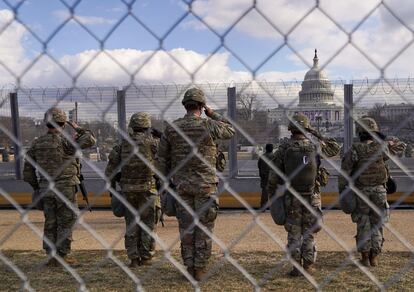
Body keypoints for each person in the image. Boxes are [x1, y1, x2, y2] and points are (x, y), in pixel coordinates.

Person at [157, 87, 235, 281]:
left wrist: (167, 181)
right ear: (201, 106)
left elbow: (162, 159)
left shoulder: (172, 128)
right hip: (205, 186)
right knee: (205, 228)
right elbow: (231, 130)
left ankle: (189, 266)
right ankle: (200, 268)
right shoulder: (209, 125)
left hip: (181, 186)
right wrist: (213, 113)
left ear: (185, 105)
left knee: (186, 228)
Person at [267, 113, 339, 276]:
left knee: (293, 232)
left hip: (291, 196)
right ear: (306, 128)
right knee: (309, 231)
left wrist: (272, 194)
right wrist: (314, 131)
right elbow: (334, 148)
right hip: (312, 195)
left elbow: (273, 176)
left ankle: (296, 266)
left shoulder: (284, 148)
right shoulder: (315, 146)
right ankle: (308, 264)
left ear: (290, 129)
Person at [23, 107, 96, 266]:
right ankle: (63, 255)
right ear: (64, 123)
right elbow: (90, 140)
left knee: (50, 221)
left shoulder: (37, 143)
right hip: (65, 188)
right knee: (66, 220)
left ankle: (51, 256)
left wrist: (37, 187)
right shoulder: (67, 142)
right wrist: (78, 128)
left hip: (45, 188)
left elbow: (27, 172)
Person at [338, 117, 405, 267]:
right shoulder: (381, 148)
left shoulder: (354, 149)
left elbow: (344, 173)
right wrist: (382, 138)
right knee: (377, 223)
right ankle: (374, 256)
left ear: (359, 132)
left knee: (363, 223)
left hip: (361, 191)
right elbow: (400, 146)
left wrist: (342, 191)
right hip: (379, 191)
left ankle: (364, 257)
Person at [105, 112, 159, 267]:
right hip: (148, 189)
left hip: (128, 191)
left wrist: (113, 189)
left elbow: (110, 171)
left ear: (132, 127)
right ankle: (147, 256)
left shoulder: (122, 146)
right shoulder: (154, 144)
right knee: (148, 223)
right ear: (147, 126)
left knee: (131, 223)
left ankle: (134, 258)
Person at [258, 143, 274, 210]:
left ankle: (263, 206)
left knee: (264, 192)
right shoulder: (274, 156)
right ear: (272, 149)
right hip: (272, 176)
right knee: (273, 192)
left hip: (264, 176)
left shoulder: (262, 157)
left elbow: (259, 165)